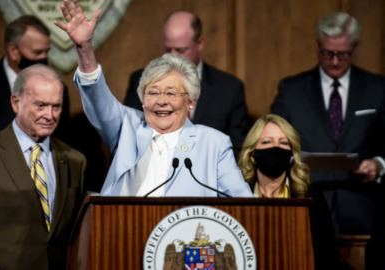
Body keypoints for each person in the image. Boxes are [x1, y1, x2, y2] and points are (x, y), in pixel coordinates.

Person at [54, 0, 253, 197]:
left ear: (191, 101)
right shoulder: (127, 129)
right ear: (142, 99)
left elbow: (242, 203)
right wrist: (84, 48)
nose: (161, 101)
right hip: (124, 226)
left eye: (171, 93)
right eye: (153, 92)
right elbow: (99, 100)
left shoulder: (214, 143)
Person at [0, 15, 107, 192]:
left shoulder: (57, 88)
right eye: (37, 53)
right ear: (13, 51)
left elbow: (58, 144)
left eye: (47, 52)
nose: (44, 58)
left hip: (41, 183)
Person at [0, 64, 87, 269]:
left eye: (56, 106)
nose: (50, 116)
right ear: (16, 103)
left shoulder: (75, 160)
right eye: (40, 105)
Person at [271, 11, 385, 235]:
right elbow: (274, 145)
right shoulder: (291, 90)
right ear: (317, 45)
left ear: (355, 46)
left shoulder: (378, 89)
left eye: (342, 55)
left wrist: (379, 164)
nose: (334, 61)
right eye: (327, 53)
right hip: (307, 205)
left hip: (364, 207)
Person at [123, 11, 251, 159]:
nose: (172, 56)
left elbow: (238, 149)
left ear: (200, 43)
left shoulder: (229, 89)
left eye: (180, 50)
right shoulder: (141, 80)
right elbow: (128, 138)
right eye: (168, 49)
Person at [238, 114, 339, 269]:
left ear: (292, 155)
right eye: (267, 142)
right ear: (252, 155)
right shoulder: (236, 198)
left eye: (283, 142)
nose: (276, 148)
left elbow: (327, 259)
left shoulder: (312, 199)